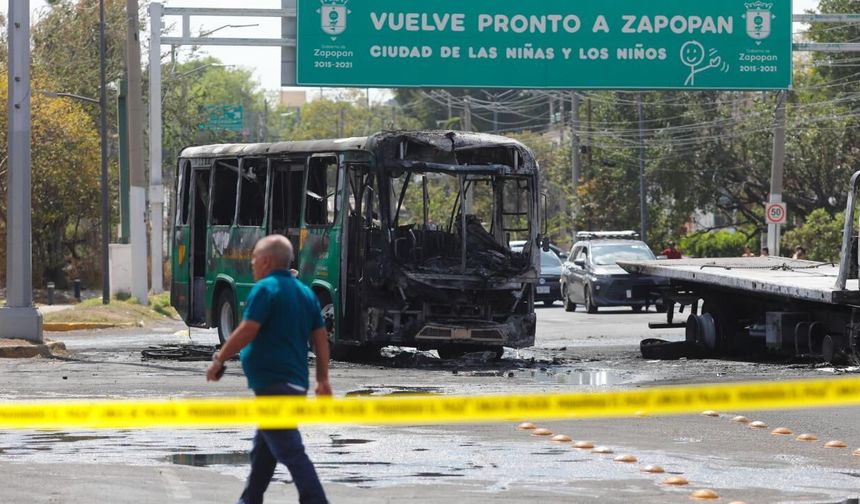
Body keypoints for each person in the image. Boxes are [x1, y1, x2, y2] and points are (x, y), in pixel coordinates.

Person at [207, 234, 331, 504]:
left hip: (274, 384)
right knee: (263, 452)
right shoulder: (305, 292)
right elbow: (320, 339)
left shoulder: (265, 289)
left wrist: (220, 358)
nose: (251, 265)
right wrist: (322, 379)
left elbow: (247, 329)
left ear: (265, 261)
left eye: (253, 259)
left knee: (290, 450)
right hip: (294, 383)